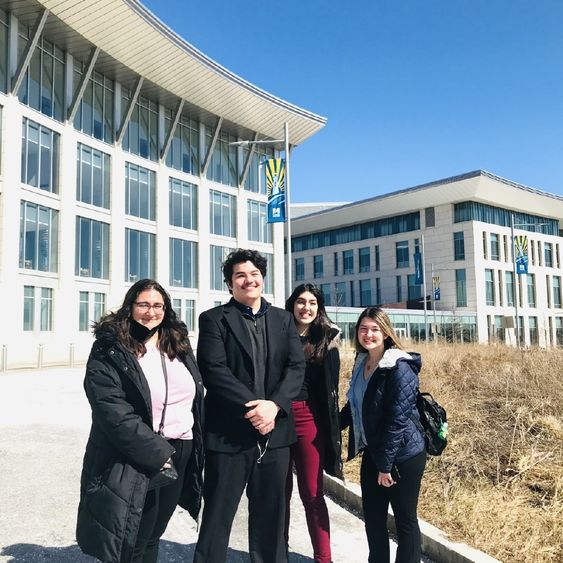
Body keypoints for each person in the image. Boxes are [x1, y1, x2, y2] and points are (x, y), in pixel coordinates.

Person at [76, 279, 204, 563]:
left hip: (180, 447)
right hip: (138, 453)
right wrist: (156, 453)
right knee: (131, 537)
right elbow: (111, 409)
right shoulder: (111, 348)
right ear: (130, 306)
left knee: (153, 534)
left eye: (158, 305)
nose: (151, 312)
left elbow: (194, 394)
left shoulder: (177, 343)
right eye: (143, 304)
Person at [194, 249, 305, 563]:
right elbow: (214, 370)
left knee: (272, 518)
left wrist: (274, 407)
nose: (248, 280)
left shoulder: (283, 319)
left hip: (276, 435)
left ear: (262, 278)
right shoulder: (214, 319)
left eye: (254, 274)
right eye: (240, 275)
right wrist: (255, 409)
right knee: (217, 517)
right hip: (228, 435)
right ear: (230, 284)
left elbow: (296, 368)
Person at [341, 307, 426, 563]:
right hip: (375, 451)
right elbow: (354, 406)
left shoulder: (399, 366)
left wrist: (386, 465)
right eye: (363, 329)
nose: (369, 334)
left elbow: (397, 420)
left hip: (403, 455)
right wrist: (327, 428)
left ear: (386, 332)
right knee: (374, 521)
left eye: (375, 329)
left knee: (405, 521)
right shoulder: (362, 361)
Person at [284, 283, 343, 563]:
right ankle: (275, 551)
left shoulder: (326, 340)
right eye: (300, 301)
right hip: (278, 417)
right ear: (292, 304)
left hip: (309, 418)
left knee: (312, 492)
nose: (305, 307)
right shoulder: (278, 333)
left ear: (318, 308)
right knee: (277, 492)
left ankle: (323, 558)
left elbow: (332, 391)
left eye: (312, 303)